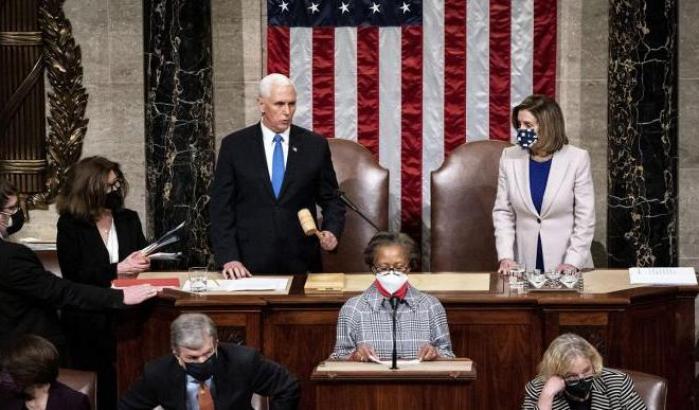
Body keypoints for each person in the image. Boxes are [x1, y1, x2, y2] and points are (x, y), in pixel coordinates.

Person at [209, 73, 345, 278]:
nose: (287, 112)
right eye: (279, 104)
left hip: (301, 263)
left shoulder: (314, 145)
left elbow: (331, 199)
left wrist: (332, 230)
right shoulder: (235, 146)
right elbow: (221, 208)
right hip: (247, 265)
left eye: (292, 104)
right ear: (262, 105)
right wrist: (229, 257)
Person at [0, 178, 157, 355]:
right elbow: (59, 291)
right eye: (12, 209)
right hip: (25, 355)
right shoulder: (11, 256)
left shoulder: (127, 218)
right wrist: (119, 296)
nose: (18, 213)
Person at [55, 156, 150, 410]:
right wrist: (117, 269)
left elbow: (140, 254)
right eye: (107, 187)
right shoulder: (70, 224)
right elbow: (75, 275)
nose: (114, 191)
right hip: (88, 318)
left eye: (116, 184)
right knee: (102, 385)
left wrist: (144, 262)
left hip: (130, 313)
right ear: (89, 190)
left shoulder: (128, 218)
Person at [493, 95, 595, 274]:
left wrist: (572, 262)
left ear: (548, 126)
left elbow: (585, 218)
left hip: (568, 263)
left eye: (528, 125)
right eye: (519, 124)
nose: (521, 130)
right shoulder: (509, 157)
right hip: (524, 263)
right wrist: (506, 256)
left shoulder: (577, 159)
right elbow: (503, 212)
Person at [119, 313, 300, 410]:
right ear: (176, 353)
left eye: (207, 353)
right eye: (192, 358)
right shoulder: (157, 372)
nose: (202, 360)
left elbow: (288, 386)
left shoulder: (243, 361)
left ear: (216, 343)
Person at [330, 232, 454, 361]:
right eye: (383, 268)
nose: (391, 273)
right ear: (373, 268)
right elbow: (338, 358)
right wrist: (355, 357)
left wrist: (436, 354)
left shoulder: (431, 306)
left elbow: (448, 355)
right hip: (372, 381)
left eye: (399, 267)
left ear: (409, 267)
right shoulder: (353, 308)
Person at [522, 333, 646, 410]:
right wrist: (547, 397)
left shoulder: (617, 383)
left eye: (586, 371)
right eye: (572, 376)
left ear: (593, 362)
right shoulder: (538, 390)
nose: (581, 378)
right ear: (556, 373)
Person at [0, 334, 90, 410]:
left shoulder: (74, 403)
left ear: (31, 373)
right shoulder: (6, 395)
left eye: (12, 371)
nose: (5, 376)